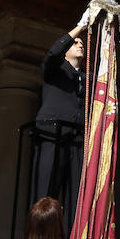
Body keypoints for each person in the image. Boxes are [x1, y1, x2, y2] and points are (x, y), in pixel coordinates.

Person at [32, 19, 88, 220]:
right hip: (52, 134)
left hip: (77, 140)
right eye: (75, 43)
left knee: (76, 195)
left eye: (82, 43)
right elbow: (53, 53)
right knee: (46, 192)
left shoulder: (84, 77)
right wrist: (80, 27)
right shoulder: (54, 69)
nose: (80, 44)